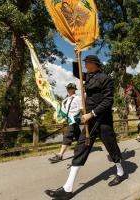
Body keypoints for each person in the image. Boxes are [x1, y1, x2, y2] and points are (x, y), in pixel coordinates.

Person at [45, 55, 125, 199]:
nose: (85, 64)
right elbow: (77, 72)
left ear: (94, 64)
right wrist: (76, 57)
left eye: (86, 62)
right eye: (84, 62)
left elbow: (108, 101)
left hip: (103, 120)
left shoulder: (105, 78)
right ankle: (67, 188)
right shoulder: (88, 76)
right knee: (81, 148)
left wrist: (92, 113)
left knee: (111, 146)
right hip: (89, 122)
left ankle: (120, 172)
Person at [48, 83, 82, 163]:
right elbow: (66, 110)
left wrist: (80, 117)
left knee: (67, 136)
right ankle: (84, 149)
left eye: (70, 88)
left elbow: (81, 108)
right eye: (68, 88)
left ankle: (60, 155)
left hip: (73, 121)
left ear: (74, 89)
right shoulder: (67, 99)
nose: (69, 89)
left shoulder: (77, 98)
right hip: (69, 120)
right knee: (79, 137)